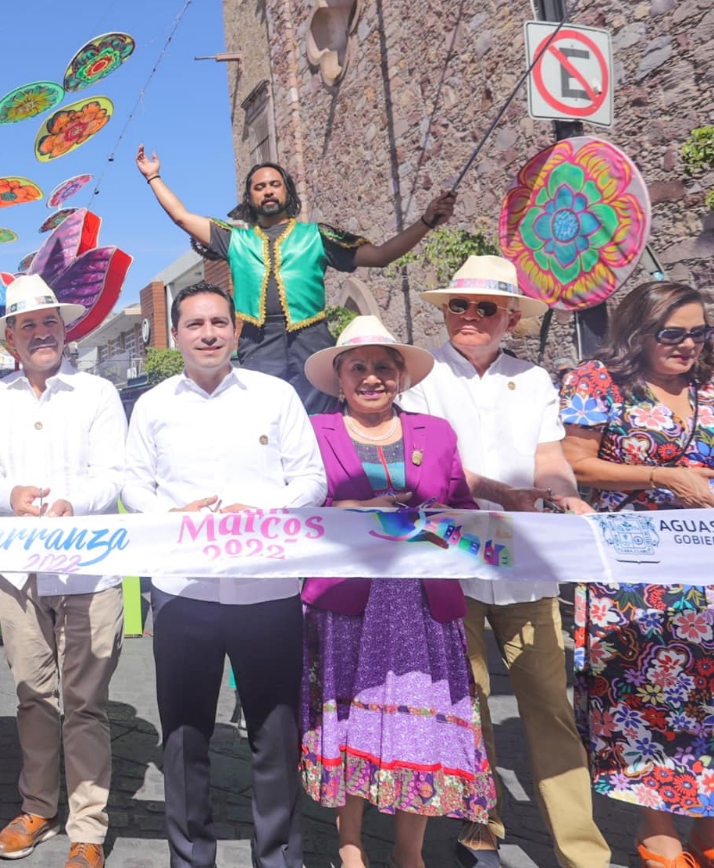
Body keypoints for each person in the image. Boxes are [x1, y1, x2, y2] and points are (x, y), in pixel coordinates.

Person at [398, 256, 608, 868]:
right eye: (459, 306)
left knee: (550, 708)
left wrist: (563, 491)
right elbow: (431, 467)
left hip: (525, 562)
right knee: (467, 703)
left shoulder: (535, 379)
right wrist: (502, 493)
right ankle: (479, 829)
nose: (470, 317)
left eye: (485, 307)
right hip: (451, 562)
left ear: (510, 318)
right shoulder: (421, 377)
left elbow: (549, 457)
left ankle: (582, 852)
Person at [122, 281, 325, 868]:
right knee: (184, 739)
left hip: (268, 590)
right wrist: (169, 515)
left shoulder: (276, 395)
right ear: (177, 334)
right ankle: (190, 858)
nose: (208, 334)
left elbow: (310, 479)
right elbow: (134, 483)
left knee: (275, 737)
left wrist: (265, 515)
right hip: (184, 592)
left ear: (236, 331)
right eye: (194, 324)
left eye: (218, 323)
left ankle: (280, 858)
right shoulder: (155, 403)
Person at [299, 316, 494, 868]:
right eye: (357, 367)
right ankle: (352, 848)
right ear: (339, 379)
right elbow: (295, 511)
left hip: (422, 606)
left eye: (383, 366)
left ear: (401, 376)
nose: (371, 377)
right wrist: (355, 512)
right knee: (350, 720)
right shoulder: (315, 433)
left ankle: (410, 855)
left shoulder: (437, 434)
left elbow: (464, 510)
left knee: (421, 729)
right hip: (346, 603)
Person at [559, 281, 714, 868]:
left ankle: (707, 834)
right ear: (638, 330)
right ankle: (662, 839)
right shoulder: (597, 381)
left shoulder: (708, 384)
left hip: (705, 578)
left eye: (698, 333)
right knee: (647, 705)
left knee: (707, 705)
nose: (687, 345)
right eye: (671, 333)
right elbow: (576, 461)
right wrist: (663, 477)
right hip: (634, 582)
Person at [0, 275, 126, 868]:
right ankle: (38, 806)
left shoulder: (97, 393)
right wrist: (8, 492)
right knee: (33, 694)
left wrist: (73, 502)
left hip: (89, 567)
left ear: (65, 330)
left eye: (49, 323)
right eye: (27, 326)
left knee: (86, 702)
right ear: (10, 339)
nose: (41, 334)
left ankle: (87, 825)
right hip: (19, 569)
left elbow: (114, 471)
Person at [134, 149, 455, 412]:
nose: (268, 190)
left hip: (311, 336)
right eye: (259, 187)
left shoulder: (317, 235)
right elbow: (182, 217)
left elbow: (381, 255)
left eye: (274, 184)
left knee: (320, 413)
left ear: (286, 191)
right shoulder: (236, 240)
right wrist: (153, 176)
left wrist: (426, 222)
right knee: (262, 412)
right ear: (250, 197)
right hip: (258, 340)